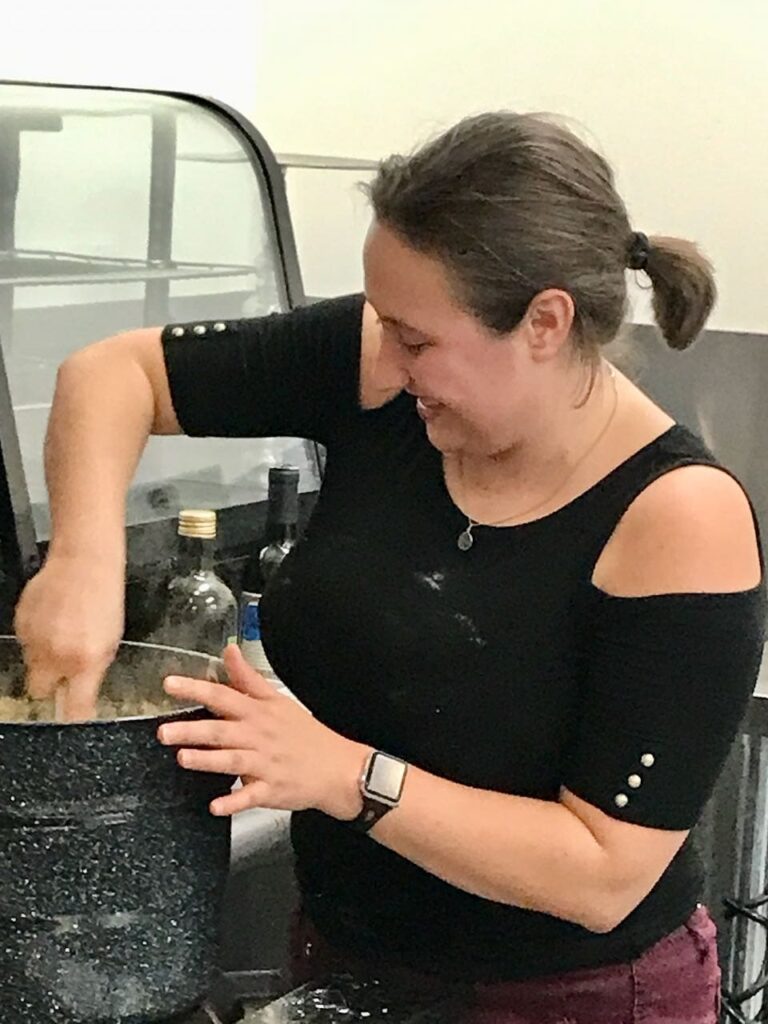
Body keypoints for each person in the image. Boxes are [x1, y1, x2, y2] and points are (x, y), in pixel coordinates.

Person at [15, 111, 764, 1023]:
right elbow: (112, 375)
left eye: (417, 338)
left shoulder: (676, 516)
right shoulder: (379, 362)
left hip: (574, 995)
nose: (388, 353)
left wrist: (342, 773)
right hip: (351, 950)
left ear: (544, 322)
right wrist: (82, 563)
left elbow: (604, 872)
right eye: (382, 320)